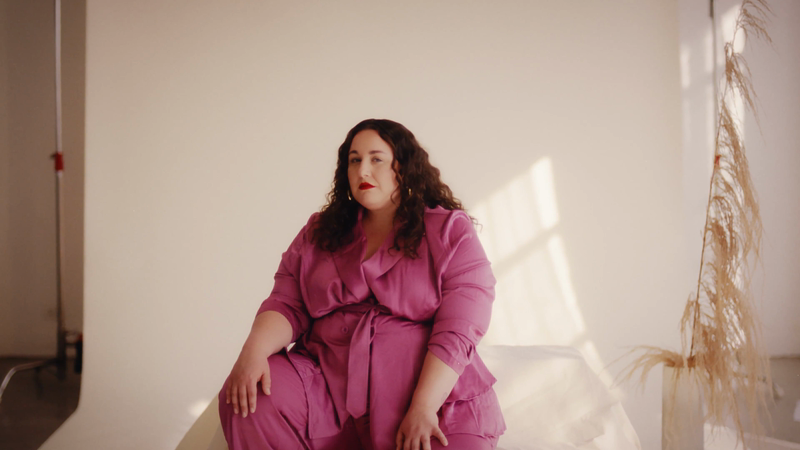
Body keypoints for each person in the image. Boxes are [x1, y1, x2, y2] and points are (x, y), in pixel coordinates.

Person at [218, 119, 505, 450]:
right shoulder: (319, 232)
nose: (362, 170)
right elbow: (286, 303)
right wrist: (253, 352)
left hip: (432, 400)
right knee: (247, 395)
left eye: (376, 159)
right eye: (354, 160)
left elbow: (460, 327)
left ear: (404, 167)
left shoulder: (449, 231)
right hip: (327, 396)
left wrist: (424, 406)